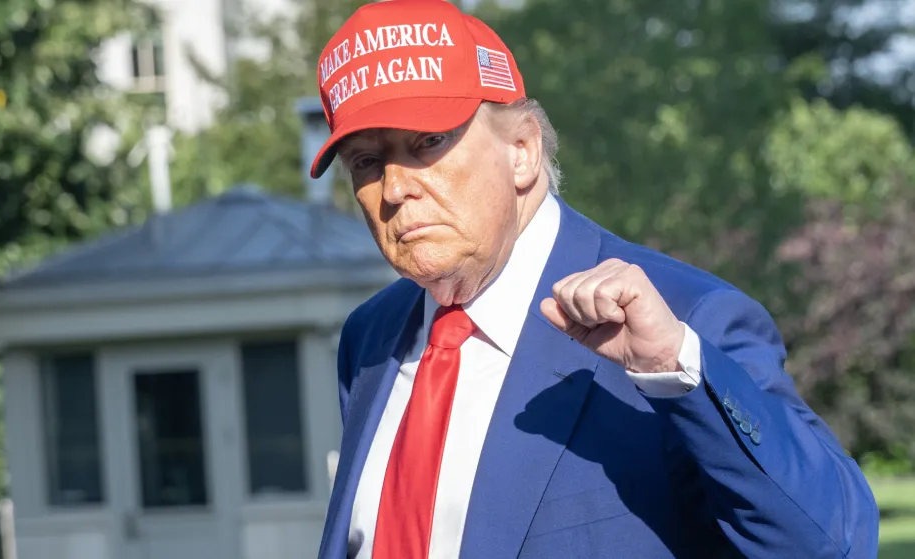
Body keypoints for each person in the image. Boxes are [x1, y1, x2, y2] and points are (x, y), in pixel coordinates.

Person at [310, 1, 879, 557]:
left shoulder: (682, 321)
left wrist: (672, 367)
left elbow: (834, 542)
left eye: (427, 143)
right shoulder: (371, 336)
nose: (393, 189)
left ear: (523, 151)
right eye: (366, 160)